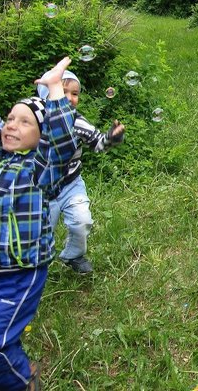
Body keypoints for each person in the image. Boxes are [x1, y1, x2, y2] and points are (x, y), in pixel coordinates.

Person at [0, 34, 77, 391]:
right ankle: (18, 368)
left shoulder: (41, 168)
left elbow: (63, 140)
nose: (11, 124)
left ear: (41, 136)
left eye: (25, 122)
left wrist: (55, 89)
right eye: (10, 118)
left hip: (20, 273)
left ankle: (24, 382)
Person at [37, 71, 125, 274]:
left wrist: (112, 137)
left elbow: (98, 143)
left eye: (74, 93)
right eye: (63, 92)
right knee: (41, 232)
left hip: (71, 185)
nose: (70, 98)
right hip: (42, 190)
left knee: (81, 221)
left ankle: (73, 255)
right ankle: (36, 263)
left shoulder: (77, 123)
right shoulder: (35, 123)